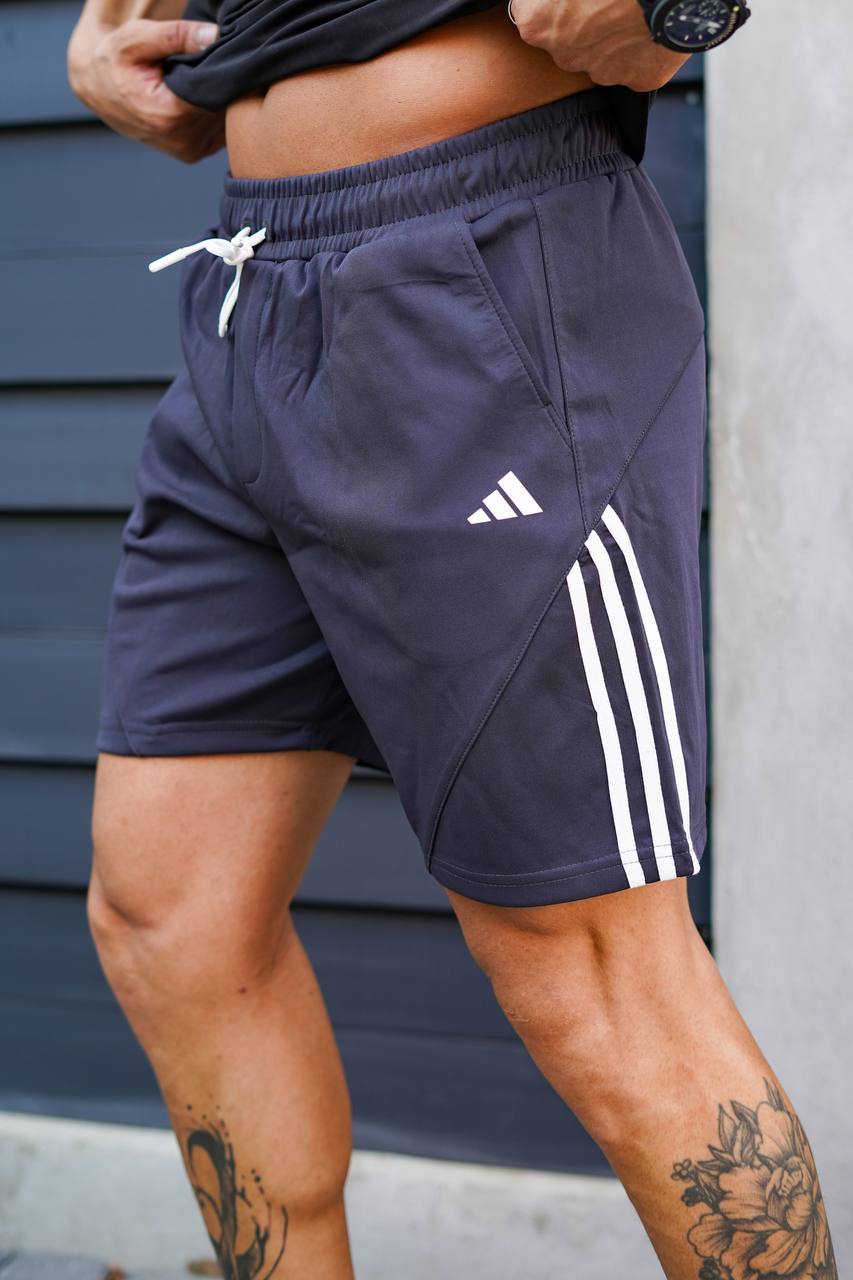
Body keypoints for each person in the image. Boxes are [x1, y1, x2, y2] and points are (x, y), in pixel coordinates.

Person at [66, 3, 838, 1278]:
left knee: (589, 966)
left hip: (479, 256)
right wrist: (103, 30)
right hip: (251, 293)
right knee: (170, 916)